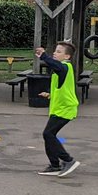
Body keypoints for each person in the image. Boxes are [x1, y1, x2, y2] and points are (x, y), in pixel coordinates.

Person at [34, 41, 80, 177]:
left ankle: (68, 160)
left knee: (48, 134)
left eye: (59, 51)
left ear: (67, 57)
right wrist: (50, 94)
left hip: (66, 109)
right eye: (55, 51)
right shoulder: (60, 70)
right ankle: (55, 165)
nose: (55, 53)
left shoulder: (65, 67)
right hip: (59, 108)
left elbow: (55, 65)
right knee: (49, 135)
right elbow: (62, 87)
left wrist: (44, 56)